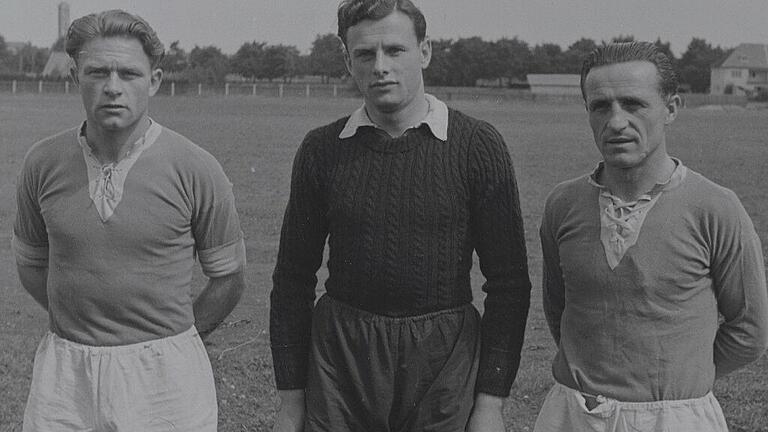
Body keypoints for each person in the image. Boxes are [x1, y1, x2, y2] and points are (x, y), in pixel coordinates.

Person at [269, 0, 532, 431]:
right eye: (365, 54)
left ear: (424, 51)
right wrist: (291, 403)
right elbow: (292, 280)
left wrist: (490, 405)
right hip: (342, 358)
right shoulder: (322, 149)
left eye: (396, 51)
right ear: (346, 58)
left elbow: (509, 284)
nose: (381, 67)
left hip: (444, 359)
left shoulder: (477, 145)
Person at [13, 9, 246, 432]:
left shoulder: (195, 167)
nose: (113, 88)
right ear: (74, 76)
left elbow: (229, 276)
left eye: (129, 74)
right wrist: (84, 321)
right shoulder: (41, 163)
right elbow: (30, 263)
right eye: (98, 72)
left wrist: (179, 336)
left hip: (165, 376)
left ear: (154, 81)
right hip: (66, 375)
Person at [535, 41, 768, 432]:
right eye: (600, 106)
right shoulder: (562, 203)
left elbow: (750, 329)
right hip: (572, 413)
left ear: (671, 108)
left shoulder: (715, 207)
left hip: (675, 416)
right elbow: (559, 310)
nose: (616, 122)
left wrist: (682, 375)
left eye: (633, 104)